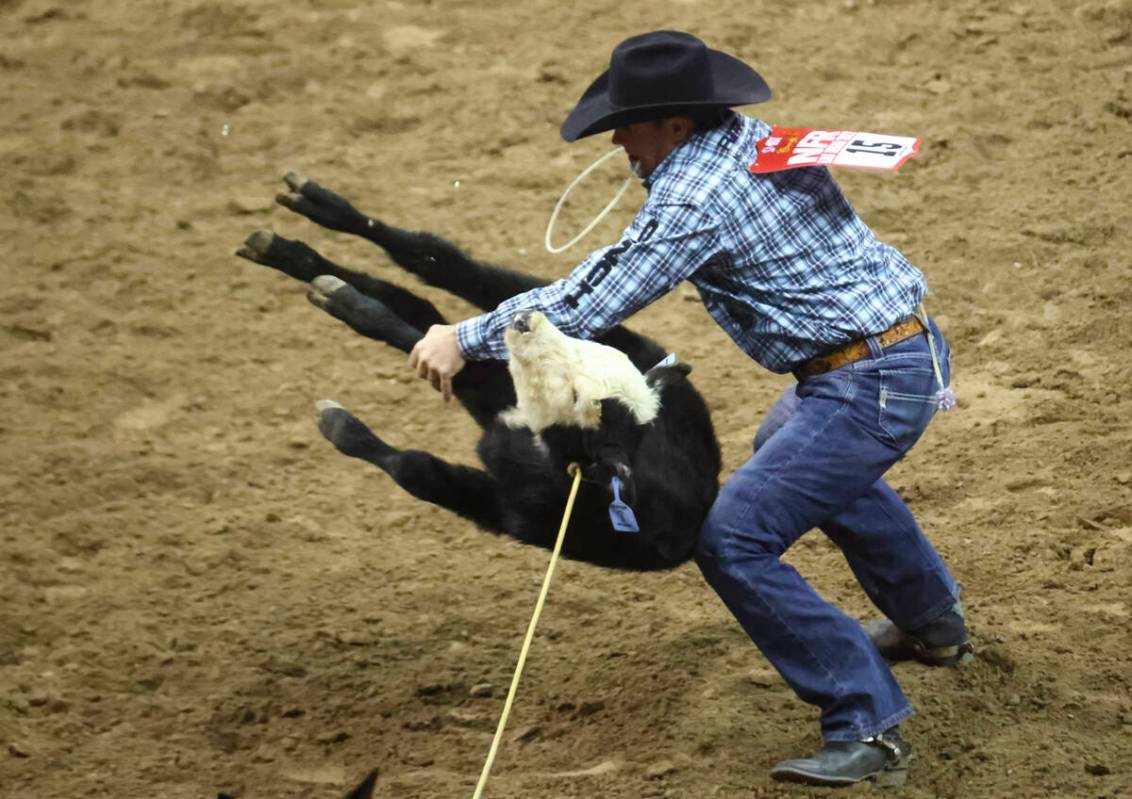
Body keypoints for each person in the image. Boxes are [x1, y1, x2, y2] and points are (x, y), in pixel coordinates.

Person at [408, 30, 970, 787]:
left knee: (732, 536)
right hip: (896, 353)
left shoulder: (696, 196)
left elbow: (590, 300)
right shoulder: (750, 140)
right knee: (794, 449)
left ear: (676, 125)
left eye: (628, 127)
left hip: (867, 380)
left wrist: (466, 337)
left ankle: (867, 721)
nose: (619, 144)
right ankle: (931, 620)